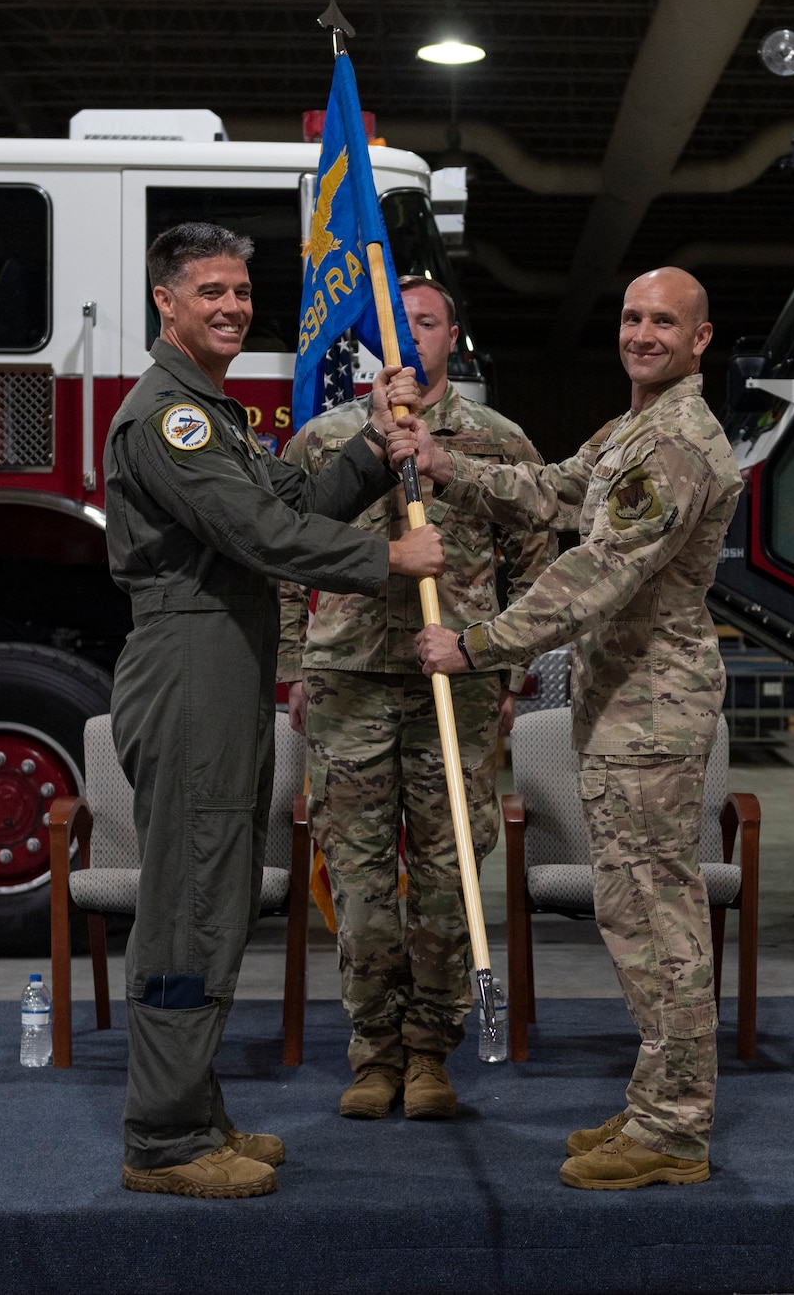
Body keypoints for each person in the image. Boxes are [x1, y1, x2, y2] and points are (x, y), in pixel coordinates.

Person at [104, 222, 443, 1199]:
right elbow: (260, 533)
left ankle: (195, 1111)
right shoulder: (167, 415)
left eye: (242, 292)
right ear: (164, 301)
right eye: (209, 290)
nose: (231, 306)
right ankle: (162, 1138)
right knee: (187, 902)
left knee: (213, 893)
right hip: (189, 659)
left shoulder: (213, 413)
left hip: (226, 658)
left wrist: (376, 452)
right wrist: (387, 560)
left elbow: (292, 494)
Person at [404, 267, 742, 1191]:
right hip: (621, 699)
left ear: (699, 339)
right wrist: (446, 468)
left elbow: (596, 573)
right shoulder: (633, 426)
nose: (641, 333)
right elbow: (555, 492)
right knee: (636, 910)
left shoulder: (674, 441)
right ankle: (654, 1103)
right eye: (631, 315)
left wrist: (474, 644)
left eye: (663, 321)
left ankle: (674, 1129)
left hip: (652, 706)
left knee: (657, 916)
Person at [278, 276, 556, 1121]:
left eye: (427, 322)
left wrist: (507, 669)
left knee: (447, 878)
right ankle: (374, 1053)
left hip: (457, 683)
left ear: (450, 337)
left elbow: (535, 568)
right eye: (397, 325)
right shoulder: (326, 442)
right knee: (360, 884)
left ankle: (433, 1049)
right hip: (349, 683)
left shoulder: (498, 442)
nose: (411, 338)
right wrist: (295, 665)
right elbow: (283, 553)